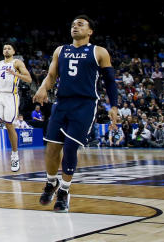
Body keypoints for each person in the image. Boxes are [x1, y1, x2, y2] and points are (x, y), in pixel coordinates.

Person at [34, 15, 119, 212]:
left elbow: (110, 82)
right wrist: (42, 88)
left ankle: (64, 190)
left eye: (80, 24)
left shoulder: (99, 52)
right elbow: (52, 75)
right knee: (52, 149)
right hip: (62, 103)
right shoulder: (60, 50)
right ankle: (50, 183)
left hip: (85, 105)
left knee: (70, 149)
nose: (75, 27)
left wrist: (113, 106)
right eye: (73, 24)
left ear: (90, 31)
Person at [0, 44, 32, 171]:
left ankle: (14, 156)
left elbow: (29, 79)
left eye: (9, 48)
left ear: (14, 51)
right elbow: (0, 77)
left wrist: (16, 74)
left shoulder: (17, 62)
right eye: (4, 48)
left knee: (9, 126)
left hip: (11, 96)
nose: (6, 50)